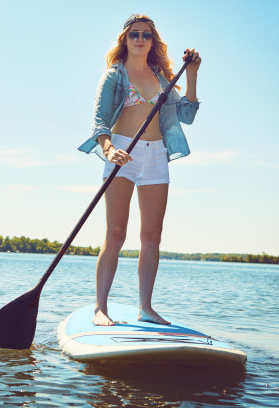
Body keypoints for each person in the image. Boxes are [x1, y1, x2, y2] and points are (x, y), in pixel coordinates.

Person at [77, 14, 201, 326]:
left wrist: (193, 75)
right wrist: (108, 149)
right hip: (122, 152)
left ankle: (145, 307)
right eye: (134, 34)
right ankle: (100, 309)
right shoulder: (114, 75)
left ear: (153, 41)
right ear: (126, 39)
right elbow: (99, 122)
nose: (140, 39)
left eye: (146, 35)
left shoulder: (163, 78)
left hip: (156, 155)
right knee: (116, 234)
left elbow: (186, 115)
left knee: (152, 236)